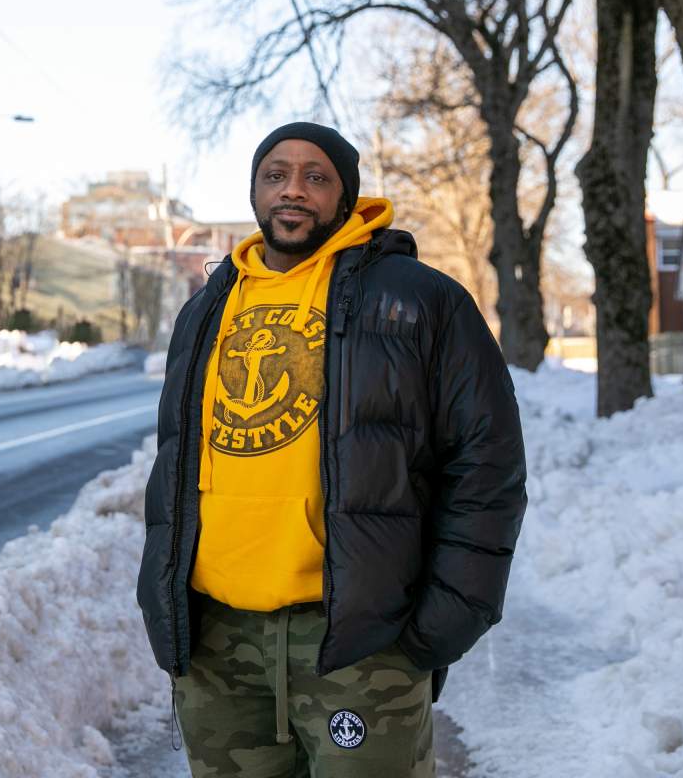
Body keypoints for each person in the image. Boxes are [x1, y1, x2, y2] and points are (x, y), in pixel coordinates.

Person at [137, 121, 526, 776]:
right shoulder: (207, 308)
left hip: (359, 641)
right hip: (217, 645)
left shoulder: (420, 301)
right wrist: (163, 599)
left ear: (346, 197)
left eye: (316, 176)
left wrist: (444, 620)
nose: (294, 190)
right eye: (276, 174)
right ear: (256, 190)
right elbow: (176, 460)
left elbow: (487, 466)